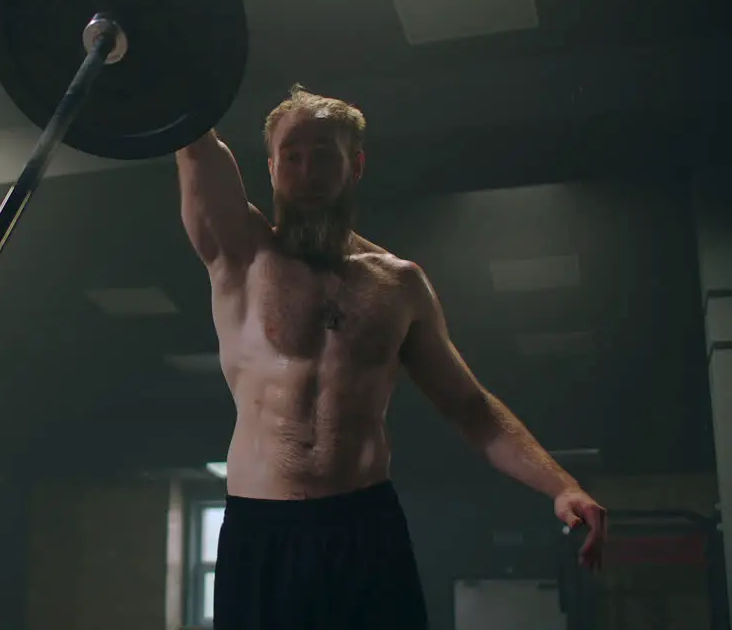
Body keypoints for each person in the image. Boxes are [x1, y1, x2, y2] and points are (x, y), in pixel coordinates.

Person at [177, 85, 607, 629]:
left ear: (355, 166)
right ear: (270, 168)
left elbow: (471, 409)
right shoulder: (241, 253)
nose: (306, 172)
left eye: (324, 156)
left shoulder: (400, 286)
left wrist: (561, 485)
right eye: (292, 157)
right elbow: (196, 146)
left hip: (365, 529)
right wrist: (173, 78)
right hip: (261, 534)